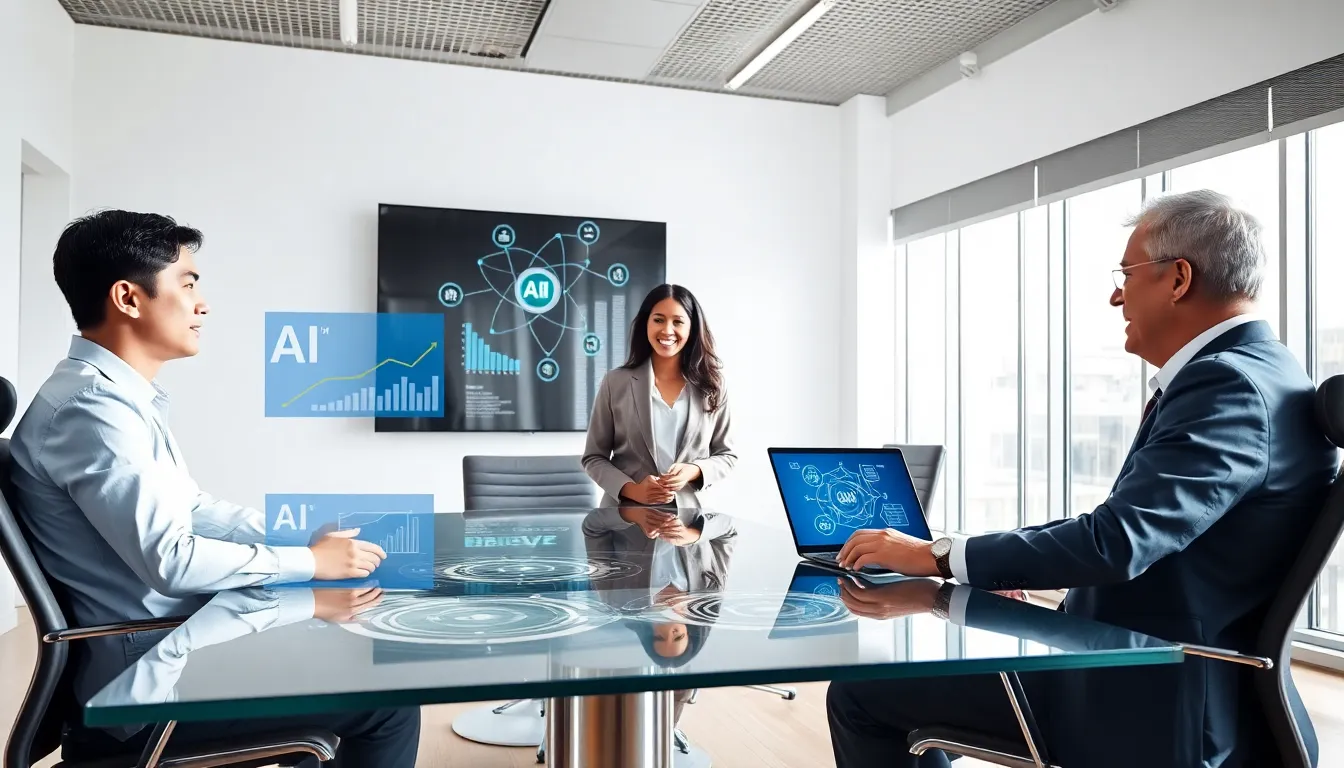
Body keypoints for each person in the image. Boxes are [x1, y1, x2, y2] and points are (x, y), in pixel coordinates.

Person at [826, 190, 1339, 768]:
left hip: (1147, 695)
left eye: (1126, 274)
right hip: (1157, 669)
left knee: (862, 690)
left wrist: (939, 556)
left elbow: (1116, 544)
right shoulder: (1265, 369)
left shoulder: (1228, 386)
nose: (1116, 294)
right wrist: (979, 559)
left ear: (1178, 279)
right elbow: (1122, 531)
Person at [9, 210, 419, 766]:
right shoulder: (93, 409)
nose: (202, 304)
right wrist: (307, 563)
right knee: (388, 700)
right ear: (129, 298)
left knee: (339, 648)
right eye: (188, 283)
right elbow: (171, 560)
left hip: (164, 648)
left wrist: (300, 539)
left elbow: (191, 508)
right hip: (149, 686)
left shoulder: (110, 397)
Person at [583, 284, 737, 509]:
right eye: (658, 319)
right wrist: (633, 490)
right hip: (627, 517)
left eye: (678, 321)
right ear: (646, 323)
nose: (667, 330)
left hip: (689, 521)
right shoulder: (615, 382)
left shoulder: (712, 385)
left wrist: (694, 470)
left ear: (692, 328)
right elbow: (594, 458)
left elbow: (726, 455)